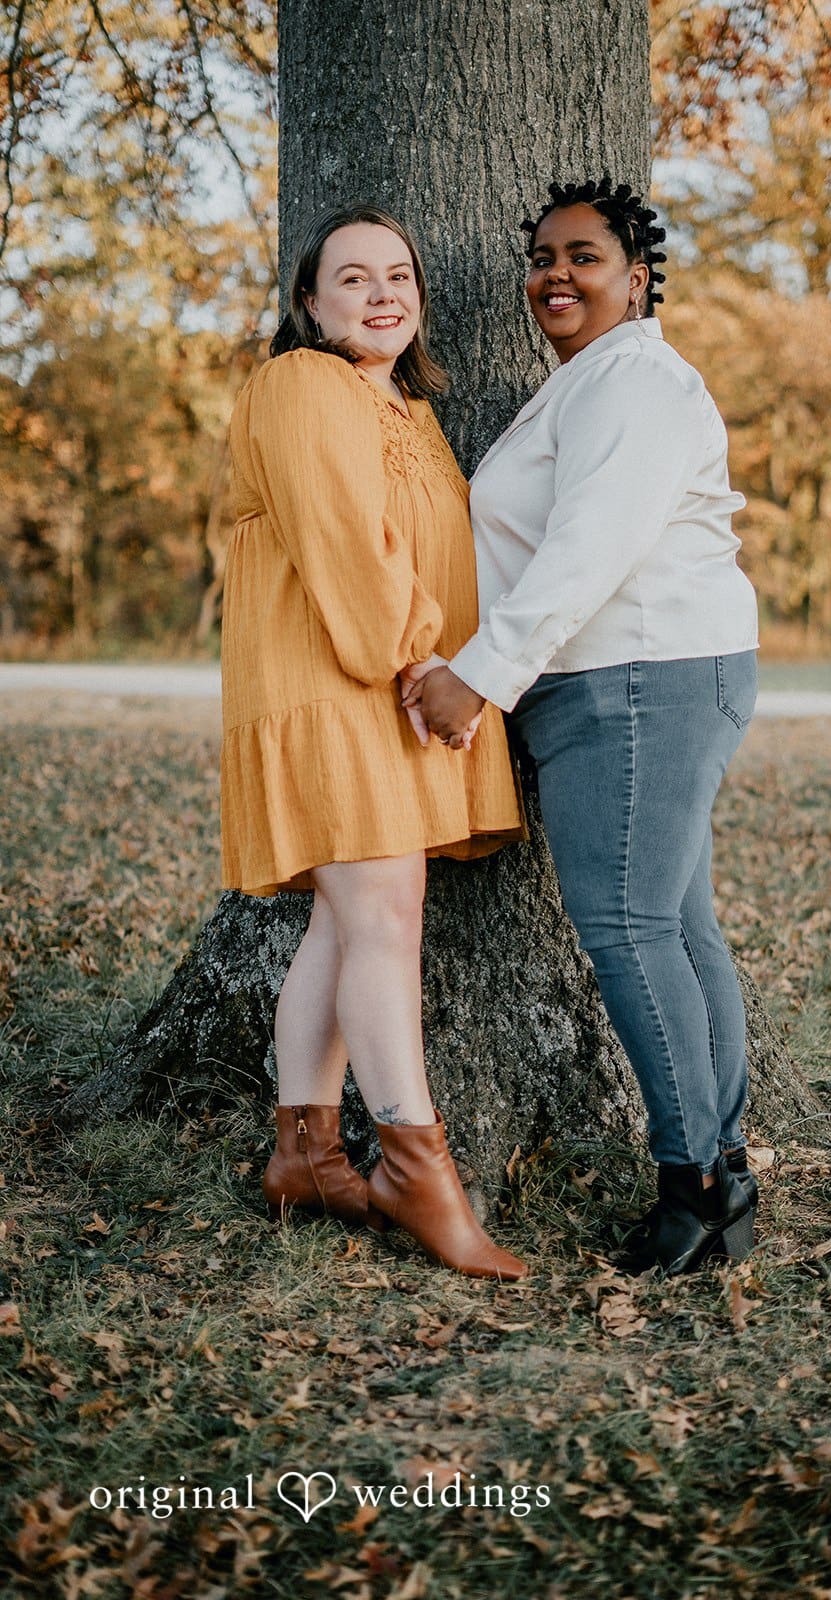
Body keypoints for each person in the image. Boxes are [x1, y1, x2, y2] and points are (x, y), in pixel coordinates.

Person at [407, 177, 760, 1276]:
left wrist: (481, 676)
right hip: (629, 673)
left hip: (635, 675)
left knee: (627, 932)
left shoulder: (635, 382)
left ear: (636, 276)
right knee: (677, 928)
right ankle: (724, 1171)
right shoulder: (582, 385)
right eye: (544, 257)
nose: (555, 274)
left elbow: (589, 546)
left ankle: (691, 1186)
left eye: (585, 255)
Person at [222, 202, 526, 1281]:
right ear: (308, 303)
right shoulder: (301, 385)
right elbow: (347, 542)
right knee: (387, 916)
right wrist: (417, 665)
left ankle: (302, 1150)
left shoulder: (410, 409)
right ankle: (415, 1163)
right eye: (351, 277)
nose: (381, 292)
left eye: (397, 274)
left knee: (349, 922)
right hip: (338, 681)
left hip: (384, 685)